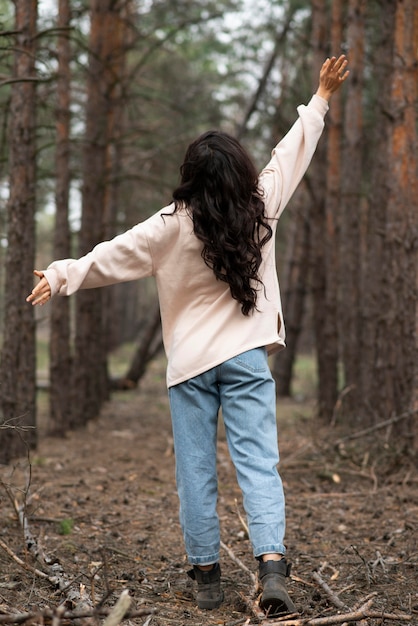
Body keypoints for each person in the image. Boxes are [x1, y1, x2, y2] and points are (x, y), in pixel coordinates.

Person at [27, 55, 349, 616]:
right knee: (259, 466)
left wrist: (60, 276)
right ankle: (272, 566)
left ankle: (206, 577)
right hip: (247, 358)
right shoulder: (260, 208)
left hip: (192, 368)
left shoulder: (168, 225)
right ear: (239, 172)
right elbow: (292, 152)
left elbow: (111, 255)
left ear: (191, 176)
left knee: (195, 473)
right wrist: (319, 97)